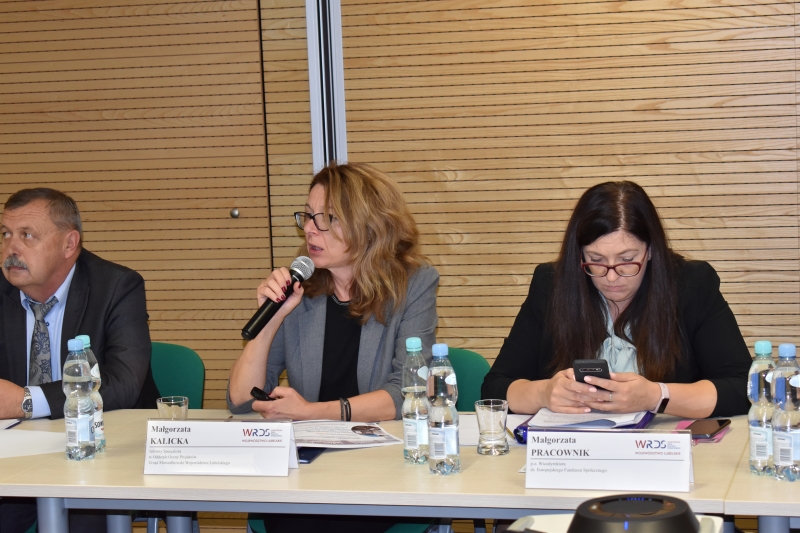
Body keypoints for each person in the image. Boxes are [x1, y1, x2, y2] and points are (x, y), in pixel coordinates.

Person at [227, 162, 438, 533]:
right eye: (308, 216)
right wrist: (272, 315)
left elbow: (411, 390)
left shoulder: (413, 284)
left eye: (327, 218)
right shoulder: (300, 288)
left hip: (382, 466)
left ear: (368, 225)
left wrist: (311, 412)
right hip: (308, 469)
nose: (310, 228)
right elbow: (241, 400)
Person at [482, 181, 751, 419]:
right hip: (574, 450)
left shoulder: (692, 284)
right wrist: (543, 393)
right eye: (596, 260)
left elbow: (743, 388)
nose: (611, 277)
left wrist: (656, 396)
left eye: (626, 260)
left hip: (662, 449)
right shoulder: (551, 285)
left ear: (651, 250)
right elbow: (495, 388)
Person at [0, 188, 159, 533]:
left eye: (27, 235)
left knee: (85, 522)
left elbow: (123, 384)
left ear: (69, 244)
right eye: (6, 234)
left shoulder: (117, 286)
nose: (12, 248)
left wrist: (25, 401)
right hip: (13, 456)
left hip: (101, 449)